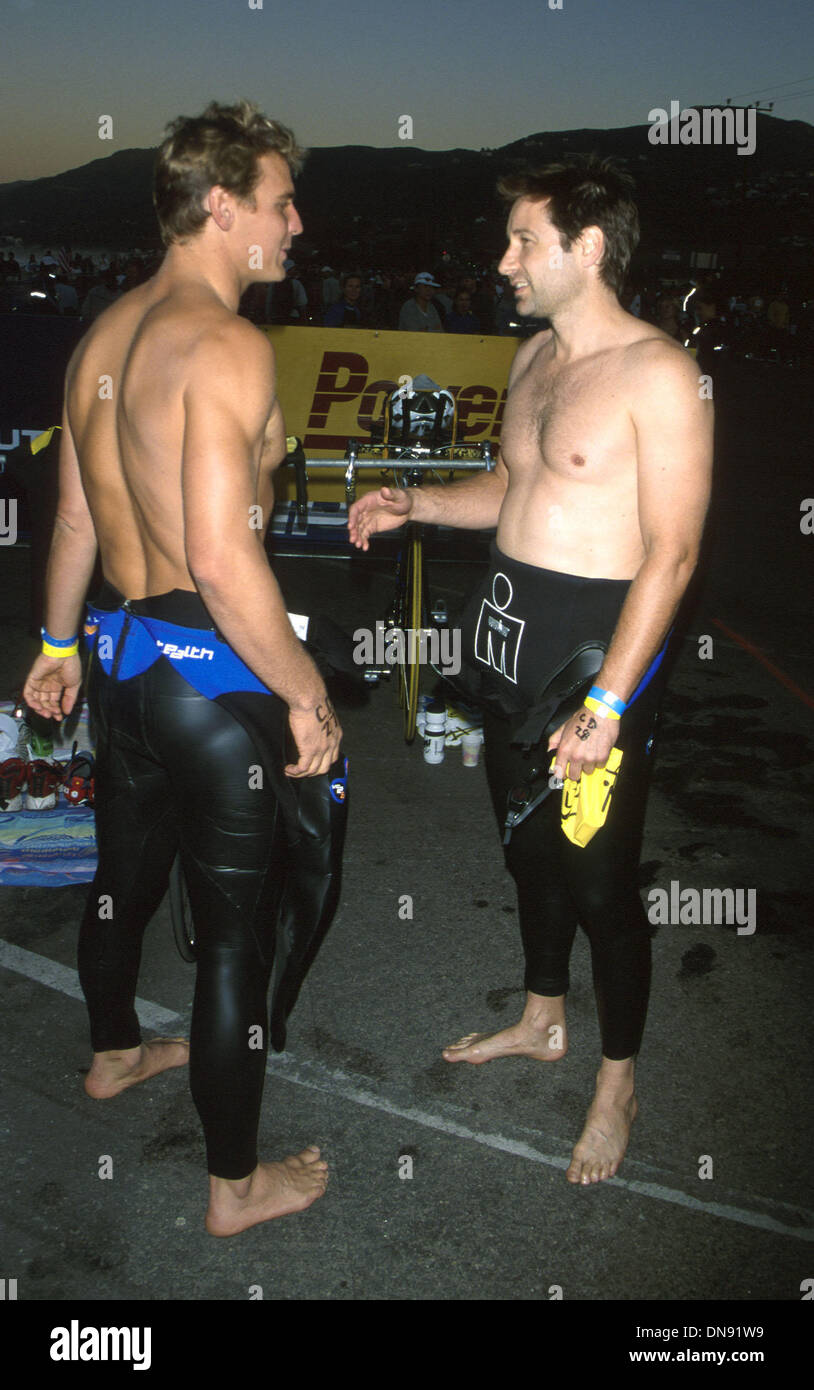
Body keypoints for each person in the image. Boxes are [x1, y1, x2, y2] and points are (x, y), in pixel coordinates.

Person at [349, 156, 712, 1186]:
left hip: (597, 665)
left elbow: (673, 554)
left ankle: (616, 1078)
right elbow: (513, 489)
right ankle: (543, 1017)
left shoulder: (660, 375)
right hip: (507, 645)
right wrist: (415, 501)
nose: (502, 259)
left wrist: (606, 704)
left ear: (585, 248)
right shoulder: (533, 358)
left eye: (522, 241)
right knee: (524, 850)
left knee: (600, 880)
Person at [21, 99, 339, 1235]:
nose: (295, 223)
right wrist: (304, 691)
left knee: (123, 877)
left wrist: (56, 647)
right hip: (209, 676)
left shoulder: (102, 337)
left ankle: (112, 1054)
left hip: (122, 662)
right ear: (220, 205)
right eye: (276, 201)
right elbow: (219, 555)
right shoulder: (228, 344)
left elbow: (70, 522)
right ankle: (234, 1185)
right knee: (236, 938)